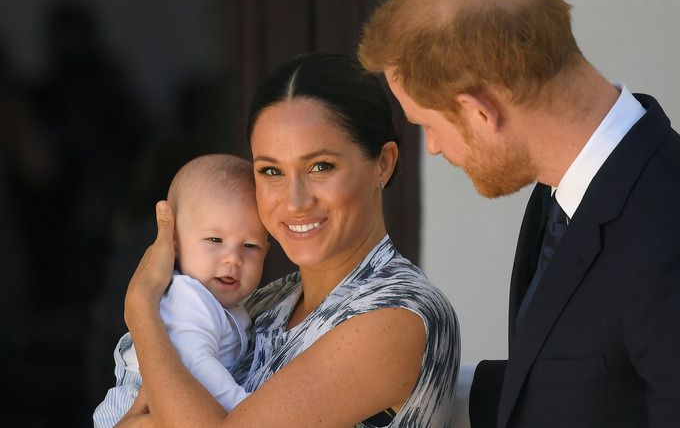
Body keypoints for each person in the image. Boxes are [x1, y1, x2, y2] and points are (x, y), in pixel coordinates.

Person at [358, 0, 680, 427]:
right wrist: (416, 381)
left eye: (428, 125)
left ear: (480, 112)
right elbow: (589, 383)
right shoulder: (570, 186)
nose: (434, 147)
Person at [118, 52, 460, 427]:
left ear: (384, 163)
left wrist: (141, 309)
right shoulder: (265, 303)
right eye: (271, 171)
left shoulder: (399, 314)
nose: (295, 202)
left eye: (320, 166)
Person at [94, 153, 270, 426]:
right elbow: (196, 364)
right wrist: (244, 410)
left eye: (250, 246)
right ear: (173, 242)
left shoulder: (223, 304)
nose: (233, 258)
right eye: (215, 239)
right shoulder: (188, 297)